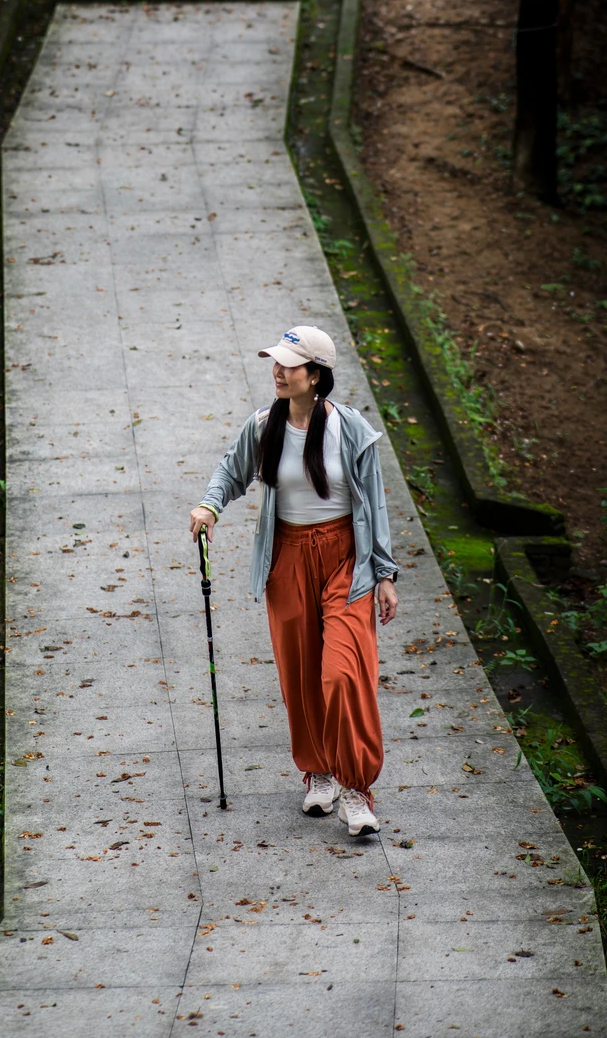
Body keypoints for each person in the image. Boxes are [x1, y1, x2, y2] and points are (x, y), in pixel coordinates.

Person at [189, 323, 398, 838]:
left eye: (289, 365)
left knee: (342, 673)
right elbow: (230, 472)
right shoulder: (264, 425)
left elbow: (375, 502)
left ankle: (355, 787)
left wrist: (385, 573)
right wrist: (210, 506)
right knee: (300, 674)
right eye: (276, 364)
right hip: (287, 557)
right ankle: (319, 771)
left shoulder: (350, 429)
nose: (278, 373)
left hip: (345, 559)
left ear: (316, 375)